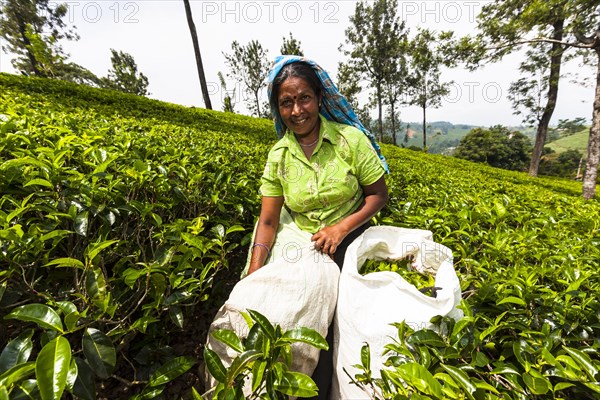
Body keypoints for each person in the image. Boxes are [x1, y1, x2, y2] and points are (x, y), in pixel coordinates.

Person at [246, 55, 389, 400]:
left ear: (319, 98)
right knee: (274, 308)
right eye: (286, 102)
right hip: (300, 237)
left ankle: (324, 390)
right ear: (277, 109)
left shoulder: (350, 140)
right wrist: (253, 272)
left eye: (304, 98)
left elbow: (378, 196)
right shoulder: (278, 155)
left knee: (332, 317)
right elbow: (267, 221)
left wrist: (340, 228)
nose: (297, 110)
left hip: (349, 231)